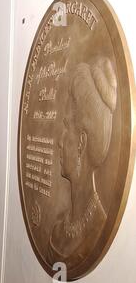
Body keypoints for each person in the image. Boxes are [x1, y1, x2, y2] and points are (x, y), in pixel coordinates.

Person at [48, 57, 117, 269]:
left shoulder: (98, 228)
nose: (59, 142)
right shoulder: (58, 231)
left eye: (67, 126)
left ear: (81, 142)